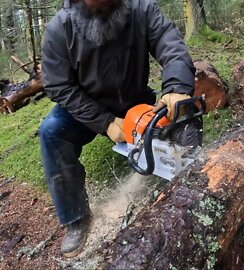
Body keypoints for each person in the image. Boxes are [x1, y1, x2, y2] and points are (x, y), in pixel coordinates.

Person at [40, 0, 201, 258]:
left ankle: (192, 175)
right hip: (86, 107)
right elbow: (57, 85)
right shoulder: (60, 28)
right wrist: (104, 122)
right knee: (51, 131)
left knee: (182, 117)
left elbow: (169, 43)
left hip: (135, 100)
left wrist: (177, 86)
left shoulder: (142, 9)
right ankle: (75, 217)